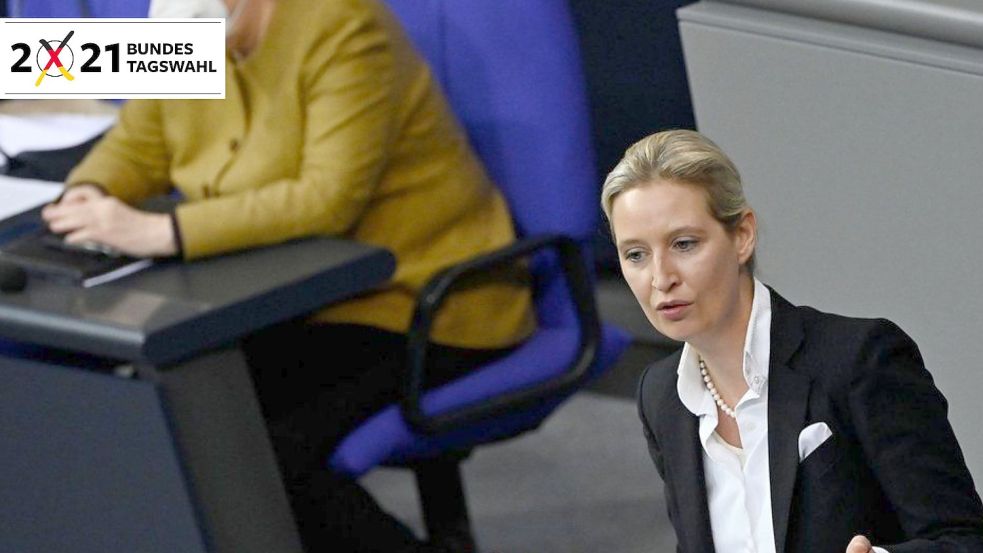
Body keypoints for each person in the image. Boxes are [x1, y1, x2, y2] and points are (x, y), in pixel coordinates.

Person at [41, 0, 535, 551]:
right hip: (280, 298)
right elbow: (138, 143)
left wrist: (162, 233)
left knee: (256, 451)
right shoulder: (192, 27)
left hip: (419, 301)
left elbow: (327, 199)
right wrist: (94, 190)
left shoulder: (341, 26)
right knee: (168, 414)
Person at [601, 129, 983, 553]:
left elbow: (963, 539)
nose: (660, 278)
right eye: (635, 254)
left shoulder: (860, 360)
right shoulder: (661, 396)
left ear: (742, 235)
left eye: (684, 244)